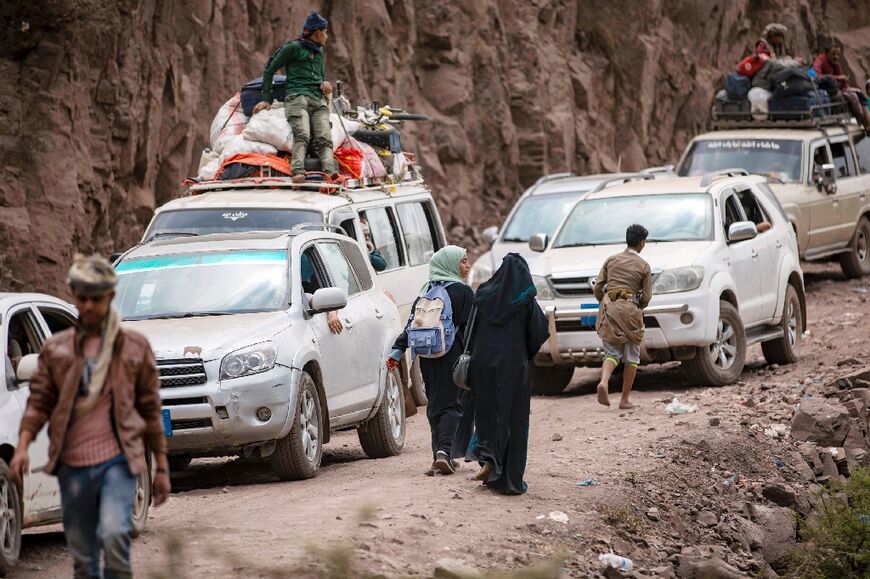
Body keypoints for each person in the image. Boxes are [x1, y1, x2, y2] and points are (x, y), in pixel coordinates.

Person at [10, 254, 170, 578]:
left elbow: (150, 409)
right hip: (73, 465)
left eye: (96, 299)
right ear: (75, 298)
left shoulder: (134, 347)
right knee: (83, 558)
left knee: (113, 537)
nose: (89, 306)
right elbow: (39, 403)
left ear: (109, 297)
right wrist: (24, 446)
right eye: (82, 299)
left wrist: (162, 468)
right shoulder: (58, 350)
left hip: (120, 461)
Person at [462, 254, 548, 495]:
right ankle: (510, 480)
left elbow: (472, 328)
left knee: (488, 415)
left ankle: (490, 461)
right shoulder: (525, 300)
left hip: (483, 365)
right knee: (514, 420)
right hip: (512, 366)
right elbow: (538, 333)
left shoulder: (484, 294)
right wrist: (524, 353)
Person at [387, 246, 473, 475]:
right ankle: (445, 452)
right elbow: (470, 328)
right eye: (463, 262)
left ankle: (438, 455)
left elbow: (412, 323)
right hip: (452, 355)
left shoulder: (426, 291)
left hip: (426, 355)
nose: (467, 266)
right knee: (452, 404)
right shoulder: (463, 292)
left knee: (435, 403)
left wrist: (397, 350)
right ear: (451, 264)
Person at [253, 11, 337, 183]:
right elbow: (270, 69)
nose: (327, 36)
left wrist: (325, 85)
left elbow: (319, 78)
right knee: (302, 134)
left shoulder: (319, 52)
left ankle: (330, 172)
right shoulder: (293, 48)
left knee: (324, 138)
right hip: (297, 98)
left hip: (318, 99)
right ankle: (297, 170)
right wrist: (266, 98)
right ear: (317, 32)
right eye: (325, 32)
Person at [594, 224, 653, 410]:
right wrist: (636, 306)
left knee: (611, 353)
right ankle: (624, 399)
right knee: (632, 357)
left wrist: (605, 303)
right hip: (632, 311)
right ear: (642, 243)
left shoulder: (611, 260)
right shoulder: (643, 266)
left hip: (611, 309)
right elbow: (647, 297)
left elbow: (598, 287)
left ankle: (604, 381)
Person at [813, 43, 870, 132]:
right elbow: (815, 75)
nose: (836, 57)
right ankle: (862, 122)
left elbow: (843, 83)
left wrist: (845, 83)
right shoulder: (819, 61)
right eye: (833, 54)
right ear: (826, 54)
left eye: (838, 54)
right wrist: (837, 78)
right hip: (825, 91)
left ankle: (868, 123)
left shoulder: (836, 64)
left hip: (838, 89)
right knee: (852, 97)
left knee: (859, 93)